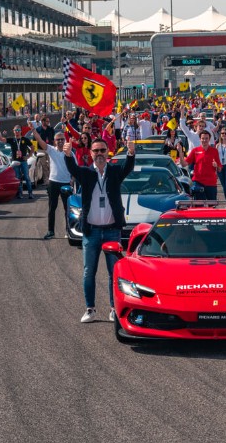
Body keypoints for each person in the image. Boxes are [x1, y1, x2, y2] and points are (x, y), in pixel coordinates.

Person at [64, 137, 136, 323]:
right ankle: (90, 309)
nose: (99, 154)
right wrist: (67, 155)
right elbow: (72, 169)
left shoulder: (114, 172)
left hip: (112, 231)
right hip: (91, 232)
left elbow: (127, 168)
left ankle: (114, 309)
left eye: (103, 150)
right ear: (91, 153)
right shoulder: (86, 173)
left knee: (114, 273)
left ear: (108, 152)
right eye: (96, 151)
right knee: (89, 272)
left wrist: (130, 152)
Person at [35, 129, 71, 240]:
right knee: (52, 208)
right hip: (53, 183)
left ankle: (68, 231)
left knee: (68, 209)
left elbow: (74, 168)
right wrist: (33, 130)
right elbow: (40, 141)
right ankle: (51, 231)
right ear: (54, 141)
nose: (60, 141)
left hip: (66, 183)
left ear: (65, 140)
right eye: (58, 139)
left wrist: (73, 180)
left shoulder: (70, 153)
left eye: (62, 139)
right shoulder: (51, 150)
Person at [181, 129, 221, 200]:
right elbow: (184, 164)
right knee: (198, 206)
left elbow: (220, 168)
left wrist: (216, 165)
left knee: (211, 206)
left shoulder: (214, 151)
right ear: (200, 139)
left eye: (206, 138)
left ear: (209, 139)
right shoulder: (195, 151)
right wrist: (180, 152)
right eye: (203, 138)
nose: (204, 140)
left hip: (210, 183)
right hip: (198, 182)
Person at [6, 125, 34, 200]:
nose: (17, 132)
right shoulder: (12, 140)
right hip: (15, 161)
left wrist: (28, 156)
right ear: (13, 131)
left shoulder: (25, 139)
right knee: (18, 178)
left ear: (21, 131)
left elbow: (32, 147)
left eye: (18, 130)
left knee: (27, 177)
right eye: (15, 130)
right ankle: (20, 193)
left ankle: (30, 193)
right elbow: (2, 140)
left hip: (23, 161)